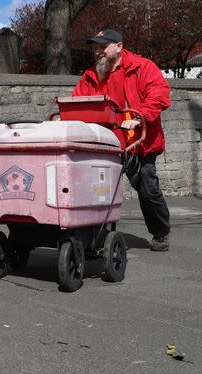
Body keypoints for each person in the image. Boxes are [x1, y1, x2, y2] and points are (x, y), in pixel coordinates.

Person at [72, 29, 172, 251]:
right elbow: (78, 102)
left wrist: (140, 116)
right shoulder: (91, 75)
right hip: (107, 144)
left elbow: (159, 94)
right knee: (99, 189)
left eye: (102, 47)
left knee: (147, 188)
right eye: (95, 47)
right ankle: (97, 233)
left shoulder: (142, 67)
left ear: (118, 46)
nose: (97, 51)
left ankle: (160, 232)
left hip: (140, 142)